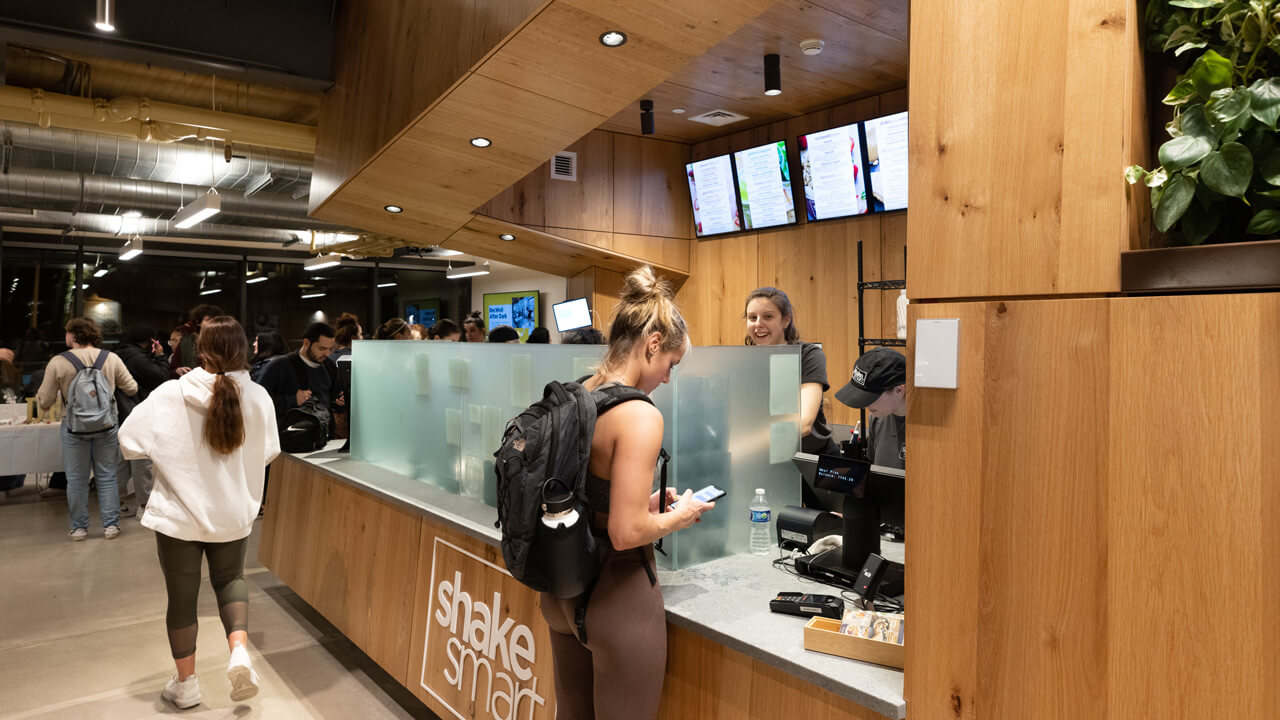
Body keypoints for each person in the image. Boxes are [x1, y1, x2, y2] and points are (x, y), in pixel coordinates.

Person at [541, 266, 714, 720]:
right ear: (653, 343)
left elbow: (589, 493)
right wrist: (682, 514)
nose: (667, 379)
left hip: (560, 591)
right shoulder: (639, 414)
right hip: (616, 600)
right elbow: (625, 531)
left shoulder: (577, 393)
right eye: (670, 364)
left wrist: (648, 504)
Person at [119, 316, 280, 709]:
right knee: (230, 580)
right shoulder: (258, 396)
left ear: (200, 351)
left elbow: (129, 441)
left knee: (182, 597)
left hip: (179, 517)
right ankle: (239, 651)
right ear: (245, 348)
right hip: (232, 514)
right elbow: (270, 451)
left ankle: (186, 685)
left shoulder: (171, 393)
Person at [36, 317, 138, 540]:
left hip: (74, 428)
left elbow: (44, 400)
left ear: (73, 335)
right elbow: (131, 388)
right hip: (107, 425)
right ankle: (111, 526)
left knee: (76, 479)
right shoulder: (111, 358)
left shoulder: (58, 362)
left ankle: (79, 528)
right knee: (107, 476)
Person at [743, 287, 839, 457]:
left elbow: (803, 424)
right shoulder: (743, 361)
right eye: (752, 317)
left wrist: (747, 443)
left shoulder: (808, 355)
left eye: (768, 316)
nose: (758, 324)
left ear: (786, 320)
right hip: (767, 458)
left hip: (810, 460)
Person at [115, 324, 172, 516]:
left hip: (121, 413)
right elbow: (160, 377)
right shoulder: (137, 358)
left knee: (122, 459)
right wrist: (161, 356)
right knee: (141, 459)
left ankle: (117, 502)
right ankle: (145, 505)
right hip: (137, 411)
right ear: (150, 341)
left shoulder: (120, 353)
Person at [256, 322, 343, 430]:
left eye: (330, 349)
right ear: (306, 343)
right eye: (322, 349)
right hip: (289, 439)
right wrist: (292, 400)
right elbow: (259, 402)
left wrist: (340, 402)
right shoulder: (279, 366)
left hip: (324, 437)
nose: (327, 354)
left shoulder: (329, 366)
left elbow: (334, 398)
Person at [834, 347, 906, 469]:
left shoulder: (928, 428)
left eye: (871, 398)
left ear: (899, 390)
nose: (866, 405)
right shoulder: (877, 417)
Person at [171, 304, 224, 378]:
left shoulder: (223, 342)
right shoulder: (185, 342)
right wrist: (178, 370)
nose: (212, 324)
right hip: (191, 384)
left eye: (215, 321)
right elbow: (172, 368)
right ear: (198, 322)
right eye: (208, 320)